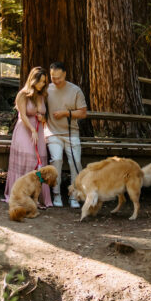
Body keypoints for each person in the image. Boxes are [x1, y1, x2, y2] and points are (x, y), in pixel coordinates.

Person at [4, 66, 53, 209]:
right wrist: (32, 129)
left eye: (44, 82)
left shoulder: (42, 95)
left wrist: (42, 119)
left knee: (39, 160)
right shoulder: (23, 94)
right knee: (29, 157)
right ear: (33, 80)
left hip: (39, 131)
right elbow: (22, 116)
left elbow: (45, 117)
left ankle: (36, 196)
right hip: (25, 130)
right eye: (40, 81)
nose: (42, 84)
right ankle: (20, 193)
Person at [45, 60, 87, 208]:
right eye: (52, 77)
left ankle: (74, 195)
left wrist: (66, 113)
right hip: (52, 132)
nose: (55, 81)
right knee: (56, 160)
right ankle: (56, 194)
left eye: (59, 78)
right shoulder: (47, 90)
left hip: (71, 133)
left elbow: (83, 113)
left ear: (65, 75)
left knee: (75, 162)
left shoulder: (75, 90)